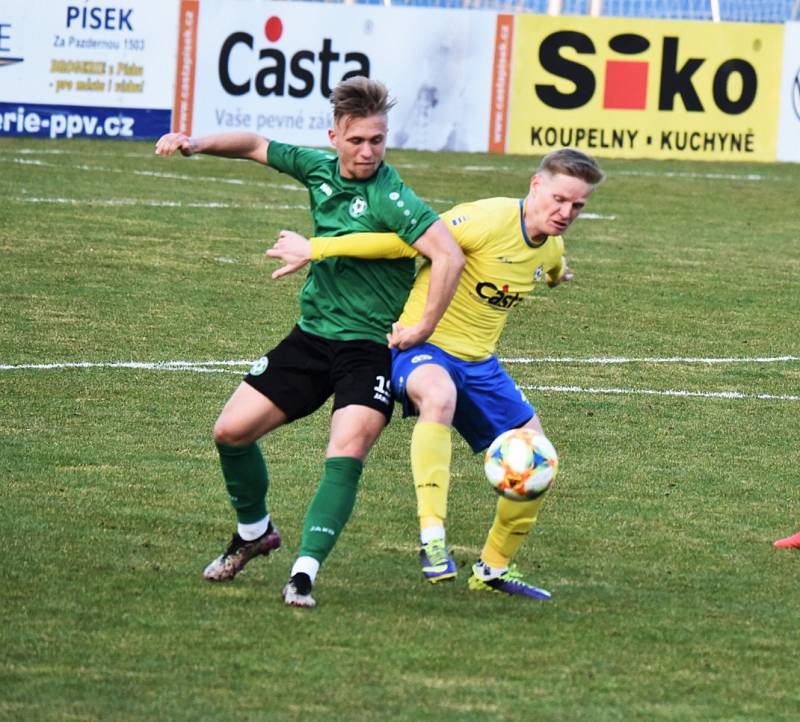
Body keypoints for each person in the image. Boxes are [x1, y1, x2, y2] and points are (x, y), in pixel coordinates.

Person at [154, 77, 464, 608]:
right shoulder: (317, 169)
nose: (368, 151)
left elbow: (449, 255)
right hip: (311, 339)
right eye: (357, 140)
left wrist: (422, 329)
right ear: (334, 136)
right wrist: (195, 142)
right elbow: (254, 145)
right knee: (230, 432)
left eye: (378, 140)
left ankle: (304, 572)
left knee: (344, 452)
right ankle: (254, 532)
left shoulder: (393, 197)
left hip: (367, 349)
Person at [268, 148, 604, 599]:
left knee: (539, 456)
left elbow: (552, 266)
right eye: (560, 199)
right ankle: (432, 536)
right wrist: (316, 247)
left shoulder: (552, 242)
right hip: (420, 346)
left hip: (481, 364)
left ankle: (492, 569)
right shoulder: (485, 220)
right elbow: (400, 241)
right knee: (439, 396)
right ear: (535, 185)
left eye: (577, 206)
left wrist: (558, 275)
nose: (566, 213)